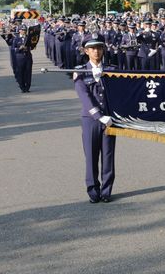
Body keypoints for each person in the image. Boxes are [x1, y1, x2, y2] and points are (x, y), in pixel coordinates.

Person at [73, 33, 116, 203]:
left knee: (108, 155)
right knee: (91, 156)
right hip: (90, 120)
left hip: (110, 119)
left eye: (99, 48)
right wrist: (99, 116)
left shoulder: (112, 70)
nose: (96, 51)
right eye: (92, 48)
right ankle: (93, 190)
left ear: (103, 49)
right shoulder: (80, 72)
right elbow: (84, 96)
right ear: (86, 51)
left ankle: (106, 191)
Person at [12, 25, 33, 92]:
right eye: (23, 30)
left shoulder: (28, 38)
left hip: (28, 56)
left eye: (25, 30)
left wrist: (29, 47)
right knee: (20, 72)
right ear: (19, 30)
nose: (24, 31)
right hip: (20, 57)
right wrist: (19, 48)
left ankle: (27, 87)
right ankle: (22, 87)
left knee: (28, 72)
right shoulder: (16, 38)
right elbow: (13, 49)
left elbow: (32, 46)